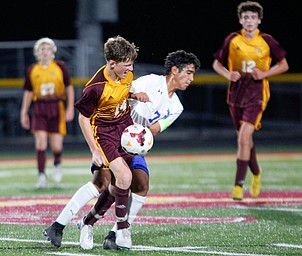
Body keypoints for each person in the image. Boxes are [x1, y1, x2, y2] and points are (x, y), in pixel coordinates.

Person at [77, 50, 201, 250]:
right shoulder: (150, 81)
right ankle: (79, 224)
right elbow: (120, 95)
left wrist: (139, 136)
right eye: (189, 72)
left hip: (133, 145)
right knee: (104, 182)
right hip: (111, 136)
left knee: (141, 183)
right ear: (175, 70)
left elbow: (155, 129)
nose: (191, 78)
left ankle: (117, 232)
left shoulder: (177, 107)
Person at [43, 35, 142, 250]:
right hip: (104, 134)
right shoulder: (95, 87)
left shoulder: (126, 74)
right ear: (112, 63)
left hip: (124, 131)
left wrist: (135, 95)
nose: (131, 68)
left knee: (117, 185)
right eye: (127, 64)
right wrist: (94, 149)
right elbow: (83, 118)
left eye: (131, 64)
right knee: (116, 179)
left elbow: (121, 94)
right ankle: (122, 230)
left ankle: (81, 224)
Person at [212, 1, 289, 200]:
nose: (249, 20)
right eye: (246, 17)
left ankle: (238, 186)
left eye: (253, 17)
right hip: (236, 94)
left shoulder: (266, 41)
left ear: (259, 20)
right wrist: (228, 75)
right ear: (240, 20)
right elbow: (216, 64)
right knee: (245, 139)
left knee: (243, 138)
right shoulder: (232, 39)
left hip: (257, 94)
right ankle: (256, 173)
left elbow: (284, 65)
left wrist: (264, 73)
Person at [20, 37, 75, 188]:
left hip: (56, 106)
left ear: (53, 52)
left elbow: (69, 87)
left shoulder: (60, 67)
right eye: (42, 49)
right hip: (40, 107)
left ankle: (57, 164)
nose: (45, 52)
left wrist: (70, 107)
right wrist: (24, 111)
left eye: (48, 49)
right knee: (41, 143)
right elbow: (29, 92)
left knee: (57, 146)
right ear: (37, 52)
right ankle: (41, 175)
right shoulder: (32, 70)